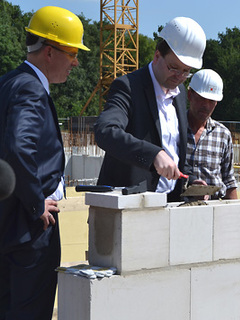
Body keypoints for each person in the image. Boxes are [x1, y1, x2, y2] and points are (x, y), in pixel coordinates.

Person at [0, 6, 90, 319]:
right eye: (72, 53)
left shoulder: (8, 82)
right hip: (30, 232)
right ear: (49, 52)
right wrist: (36, 203)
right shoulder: (30, 89)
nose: (76, 62)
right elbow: (19, 147)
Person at [94, 17, 207, 202]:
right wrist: (153, 154)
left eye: (186, 71)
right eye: (173, 68)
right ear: (157, 56)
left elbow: (176, 155)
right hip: (130, 204)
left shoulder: (179, 95)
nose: (179, 77)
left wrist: (190, 181)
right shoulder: (128, 87)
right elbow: (105, 131)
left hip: (168, 204)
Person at [186, 69, 238, 199]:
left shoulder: (222, 134)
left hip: (213, 207)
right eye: (201, 99)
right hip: (177, 206)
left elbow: (229, 180)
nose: (206, 106)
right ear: (190, 95)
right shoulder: (173, 128)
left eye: (211, 101)